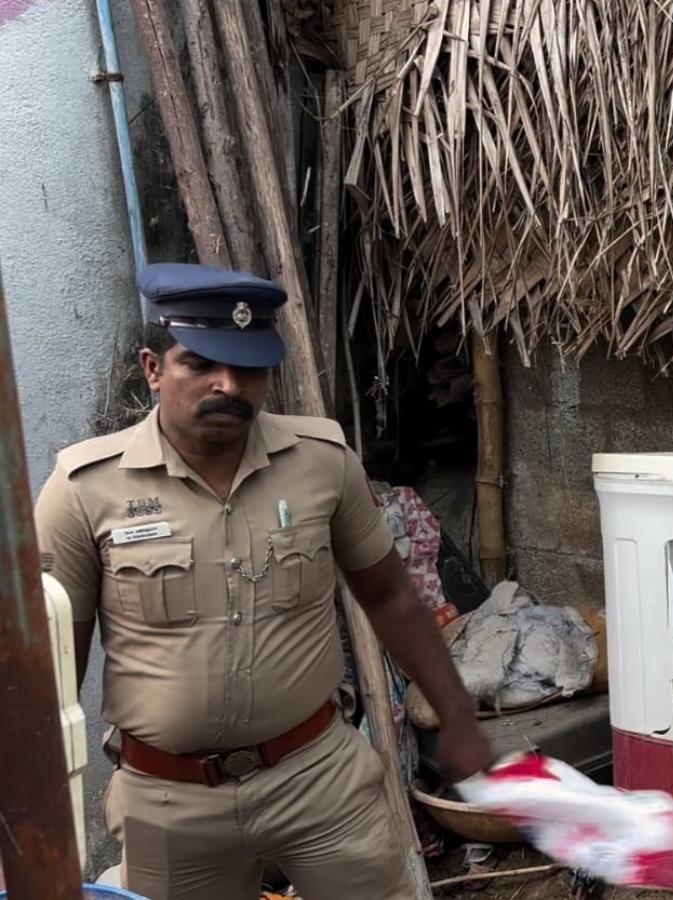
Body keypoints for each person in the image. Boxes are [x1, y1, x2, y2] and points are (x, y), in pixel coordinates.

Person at [30, 263, 494, 900]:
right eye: (201, 364)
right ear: (153, 369)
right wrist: (26, 811)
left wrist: (457, 713)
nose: (229, 385)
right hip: (169, 803)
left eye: (249, 367)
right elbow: (52, 665)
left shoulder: (322, 463)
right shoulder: (85, 489)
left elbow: (389, 596)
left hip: (319, 780)